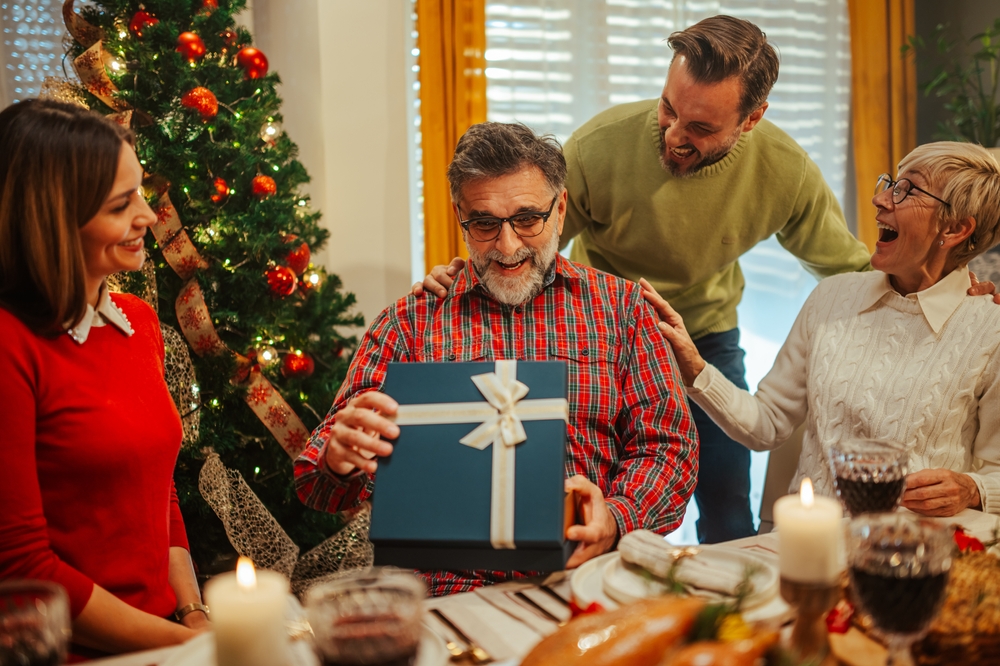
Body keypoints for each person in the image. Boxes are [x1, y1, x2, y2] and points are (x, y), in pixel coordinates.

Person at [413, 15, 998, 543]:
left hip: (710, 335)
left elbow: (851, 267)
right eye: (667, 108)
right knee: (587, 494)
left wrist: (954, 279)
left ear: (752, 119)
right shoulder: (597, 148)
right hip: (609, 336)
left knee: (726, 510)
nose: (671, 133)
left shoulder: (785, 172)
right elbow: (524, 245)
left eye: (698, 126)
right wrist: (464, 272)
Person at [295, 122, 698, 596]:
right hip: (442, 593)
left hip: (588, 579)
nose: (507, 247)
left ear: (561, 208)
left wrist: (616, 516)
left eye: (528, 219)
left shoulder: (622, 310)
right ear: (459, 215)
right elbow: (317, 483)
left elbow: (671, 448)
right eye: (484, 223)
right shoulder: (409, 323)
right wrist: (340, 460)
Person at [641, 141, 1000, 517]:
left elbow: (993, 475)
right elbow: (767, 423)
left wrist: (973, 489)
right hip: (810, 543)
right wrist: (696, 370)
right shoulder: (832, 296)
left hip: (913, 553)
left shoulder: (989, 330)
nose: (880, 200)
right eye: (891, 183)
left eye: (907, 190)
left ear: (957, 228)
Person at [0, 100, 209, 657]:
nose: (147, 215)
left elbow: (158, 492)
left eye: (141, 191)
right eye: (122, 204)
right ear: (54, 218)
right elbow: (23, 567)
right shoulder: (10, 345)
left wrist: (193, 615)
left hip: (161, 640)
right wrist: (193, 649)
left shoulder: (138, 323)